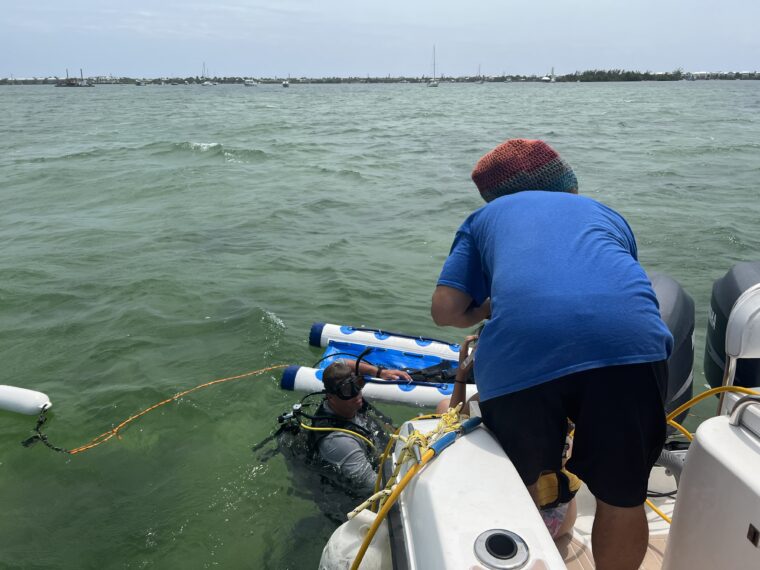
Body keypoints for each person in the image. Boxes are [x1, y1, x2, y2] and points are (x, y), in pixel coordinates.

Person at [430, 139, 673, 569]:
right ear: (567, 183)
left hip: (522, 353)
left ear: (493, 196)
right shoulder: (605, 213)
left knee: (518, 486)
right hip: (631, 346)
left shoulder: (484, 219)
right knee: (623, 497)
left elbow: (445, 310)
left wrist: (486, 308)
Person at [308, 360, 411, 496]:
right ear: (330, 397)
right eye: (347, 390)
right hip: (357, 496)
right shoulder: (338, 441)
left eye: (358, 383)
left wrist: (379, 372)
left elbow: (341, 362)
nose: (357, 393)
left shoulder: (347, 403)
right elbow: (375, 486)